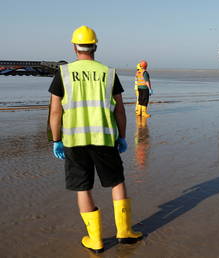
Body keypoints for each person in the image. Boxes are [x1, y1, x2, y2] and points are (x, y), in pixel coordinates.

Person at [48, 25, 143, 253]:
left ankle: (96, 239)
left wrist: (56, 139)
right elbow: (120, 110)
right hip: (104, 138)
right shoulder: (108, 73)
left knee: (83, 187)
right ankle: (124, 232)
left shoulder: (63, 73)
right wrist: (121, 136)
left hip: (74, 141)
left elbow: (55, 112)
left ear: (74, 47)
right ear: (95, 46)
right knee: (116, 182)